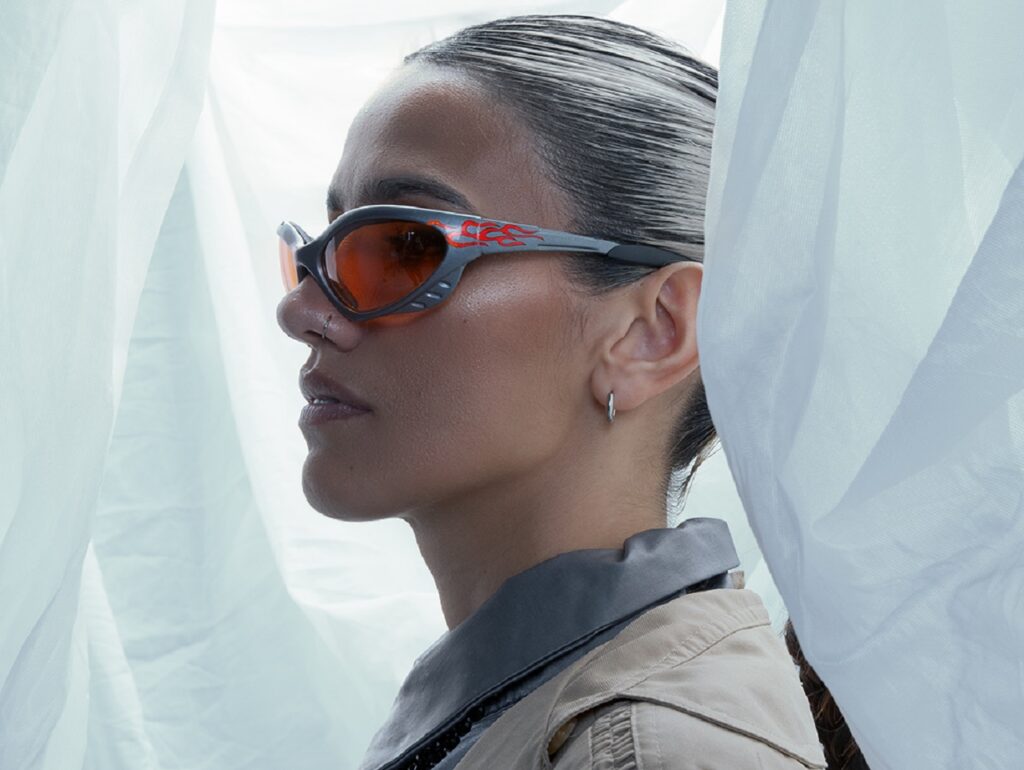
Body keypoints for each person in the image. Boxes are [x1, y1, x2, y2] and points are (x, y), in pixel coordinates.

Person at [276, 13, 863, 770]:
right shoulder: (533, 711)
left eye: (403, 247)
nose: (301, 310)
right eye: (315, 255)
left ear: (653, 332)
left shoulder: (653, 752)